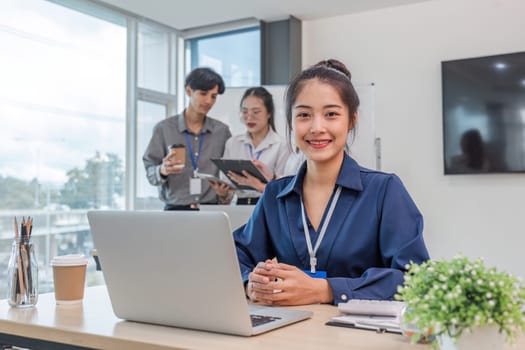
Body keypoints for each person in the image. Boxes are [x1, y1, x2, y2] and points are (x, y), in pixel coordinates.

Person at [234, 59, 430, 306]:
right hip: (288, 333)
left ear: (352, 120)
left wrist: (327, 290)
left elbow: (416, 280)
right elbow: (235, 253)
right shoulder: (275, 195)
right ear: (291, 123)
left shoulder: (384, 191)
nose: (317, 127)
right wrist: (248, 283)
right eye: (304, 115)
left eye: (331, 114)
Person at [143, 67, 232, 210]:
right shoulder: (163, 129)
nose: (209, 101)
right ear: (189, 91)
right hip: (175, 211)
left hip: (211, 210)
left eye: (213, 96)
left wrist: (225, 193)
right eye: (203, 94)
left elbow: (230, 173)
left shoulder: (222, 132)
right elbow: (150, 172)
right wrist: (162, 170)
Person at [210, 87, 290, 205]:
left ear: (269, 113)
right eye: (245, 111)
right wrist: (223, 193)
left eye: (256, 112)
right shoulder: (233, 143)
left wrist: (258, 185)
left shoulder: (282, 145)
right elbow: (228, 186)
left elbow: (284, 186)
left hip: (268, 205)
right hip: (239, 206)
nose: (249, 117)